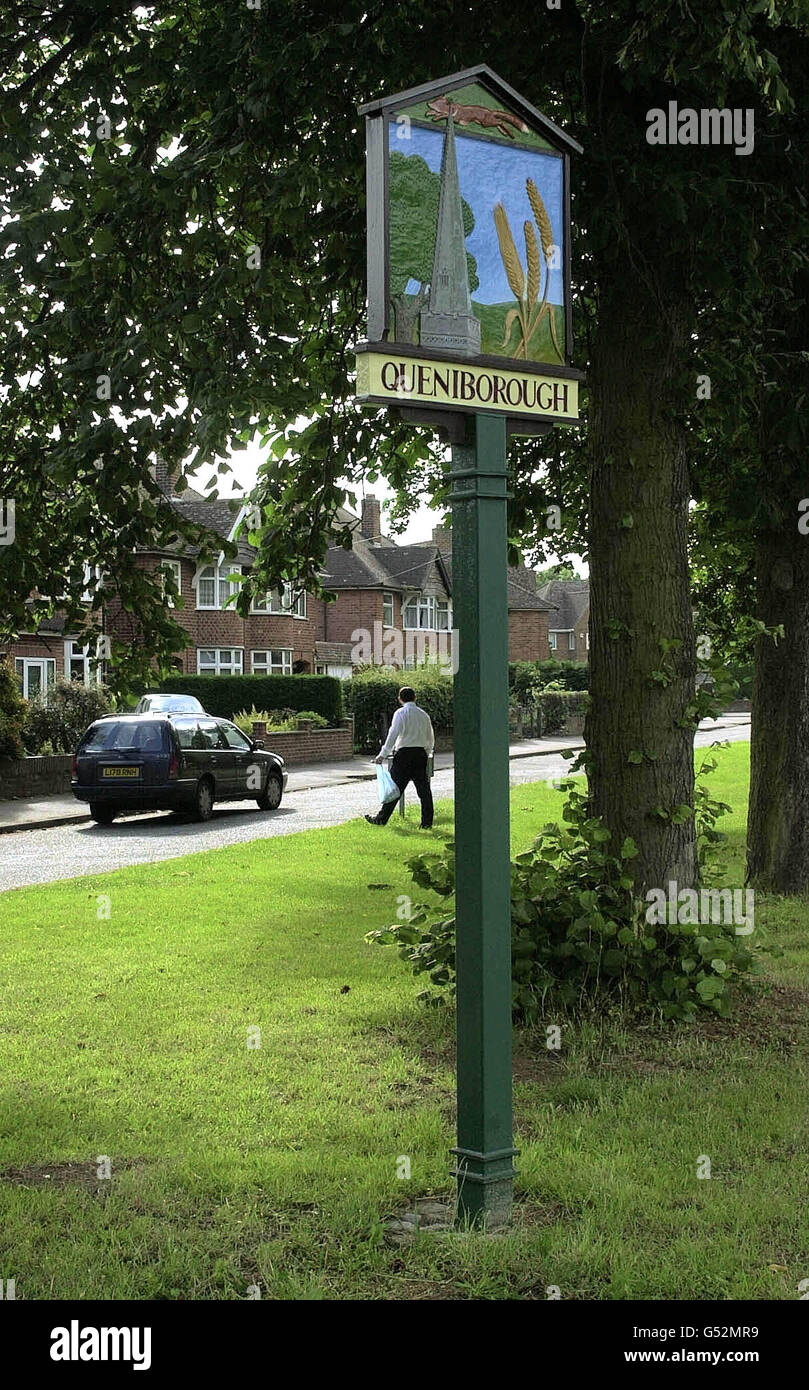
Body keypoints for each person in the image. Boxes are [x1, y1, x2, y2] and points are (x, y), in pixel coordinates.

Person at [365, 687, 434, 829]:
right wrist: (426, 752)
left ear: (400, 699)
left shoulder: (400, 713)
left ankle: (381, 818)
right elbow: (430, 737)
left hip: (404, 754)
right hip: (420, 753)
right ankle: (427, 823)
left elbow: (393, 735)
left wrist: (382, 755)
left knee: (394, 789)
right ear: (415, 698)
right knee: (424, 790)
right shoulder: (424, 715)